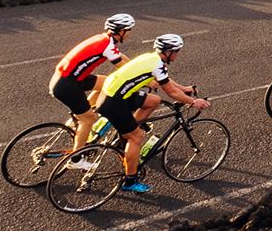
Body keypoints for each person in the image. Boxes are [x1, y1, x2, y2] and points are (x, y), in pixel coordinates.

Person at [95, 33, 208, 193]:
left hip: (113, 94)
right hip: (114, 102)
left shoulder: (151, 58)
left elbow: (164, 79)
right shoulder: (157, 64)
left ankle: (125, 137)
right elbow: (171, 93)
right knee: (137, 137)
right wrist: (193, 102)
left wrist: (184, 89)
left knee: (153, 101)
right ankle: (130, 181)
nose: (177, 55)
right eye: (177, 52)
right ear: (168, 52)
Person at [51, 13, 135, 152]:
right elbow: (122, 67)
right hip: (67, 85)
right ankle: (76, 159)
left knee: (107, 83)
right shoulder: (107, 45)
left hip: (70, 78)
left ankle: (76, 120)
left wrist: (139, 67)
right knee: (89, 119)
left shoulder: (104, 39)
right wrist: (144, 80)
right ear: (121, 31)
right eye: (129, 30)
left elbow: (122, 58)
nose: (130, 33)